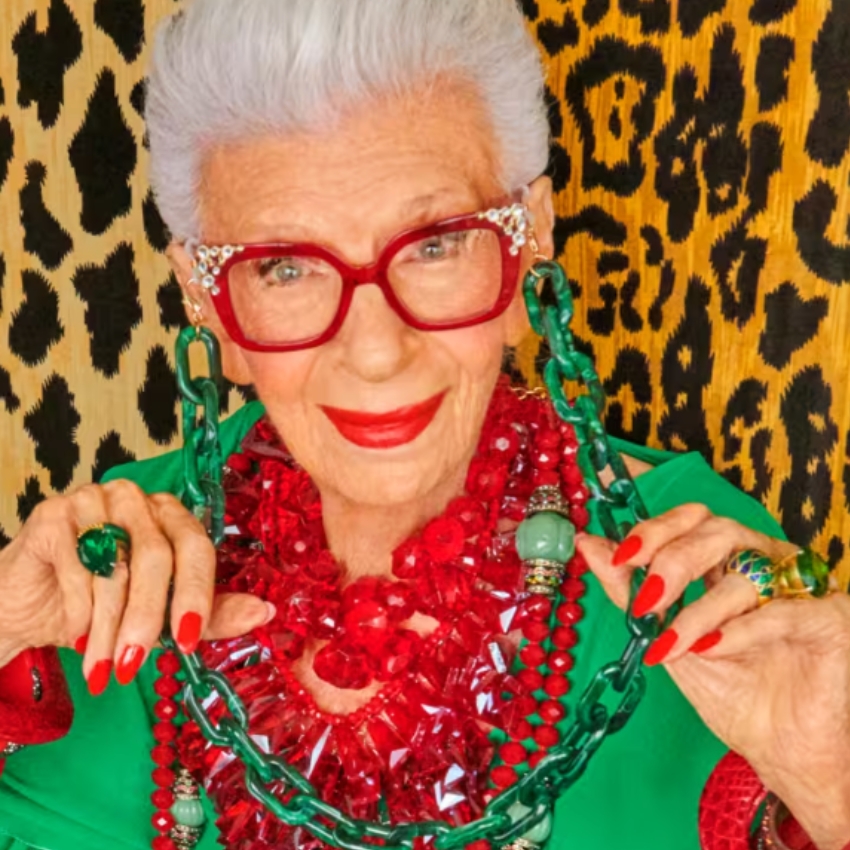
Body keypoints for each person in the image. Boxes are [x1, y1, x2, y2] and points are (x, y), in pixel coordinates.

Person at [0, 2, 848, 849]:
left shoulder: (694, 573)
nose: (374, 351)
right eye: (284, 266)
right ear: (205, 299)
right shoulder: (99, 580)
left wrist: (832, 781)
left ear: (531, 245)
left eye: (435, 245)